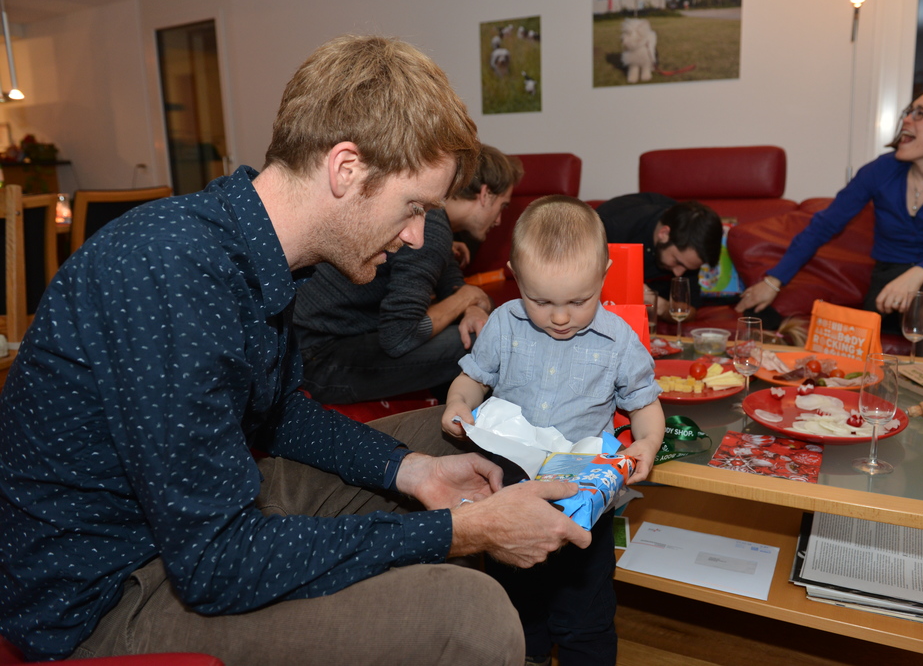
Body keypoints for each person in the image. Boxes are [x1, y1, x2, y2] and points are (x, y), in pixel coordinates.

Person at [0, 35, 593, 665]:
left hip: (194, 517)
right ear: (346, 169)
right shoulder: (171, 271)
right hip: (111, 593)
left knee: (460, 433)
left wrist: (410, 471)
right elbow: (215, 564)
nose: (419, 236)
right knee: (471, 617)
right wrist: (453, 532)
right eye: (413, 206)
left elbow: (278, 413)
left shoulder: (255, 249)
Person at [734, 85, 923, 460]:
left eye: (920, 113)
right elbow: (825, 225)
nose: (907, 119)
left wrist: (918, 273)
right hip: (891, 289)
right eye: (907, 111)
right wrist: (774, 281)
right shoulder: (882, 170)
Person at [442, 195, 666, 666]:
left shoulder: (618, 340)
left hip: (582, 503)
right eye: (540, 301)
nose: (560, 317)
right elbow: (471, 379)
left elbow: (645, 405)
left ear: (604, 274)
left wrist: (647, 441)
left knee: (585, 613)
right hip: (510, 495)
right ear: (515, 276)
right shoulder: (504, 324)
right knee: (516, 608)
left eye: (578, 301)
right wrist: (459, 403)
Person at [293, 144, 524, 405]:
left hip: (304, 343)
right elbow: (400, 337)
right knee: (480, 341)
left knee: (470, 325)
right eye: (502, 206)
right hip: (316, 360)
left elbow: (450, 282)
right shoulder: (431, 228)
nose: (499, 221)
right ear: (485, 194)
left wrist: (470, 306)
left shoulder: (430, 216)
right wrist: (465, 299)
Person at [595, 193, 723, 316]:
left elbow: (690, 308)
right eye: (677, 262)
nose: (678, 273)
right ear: (664, 234)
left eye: (687, 268)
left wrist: (660, 305)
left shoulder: (690, 241)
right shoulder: (611, 227)